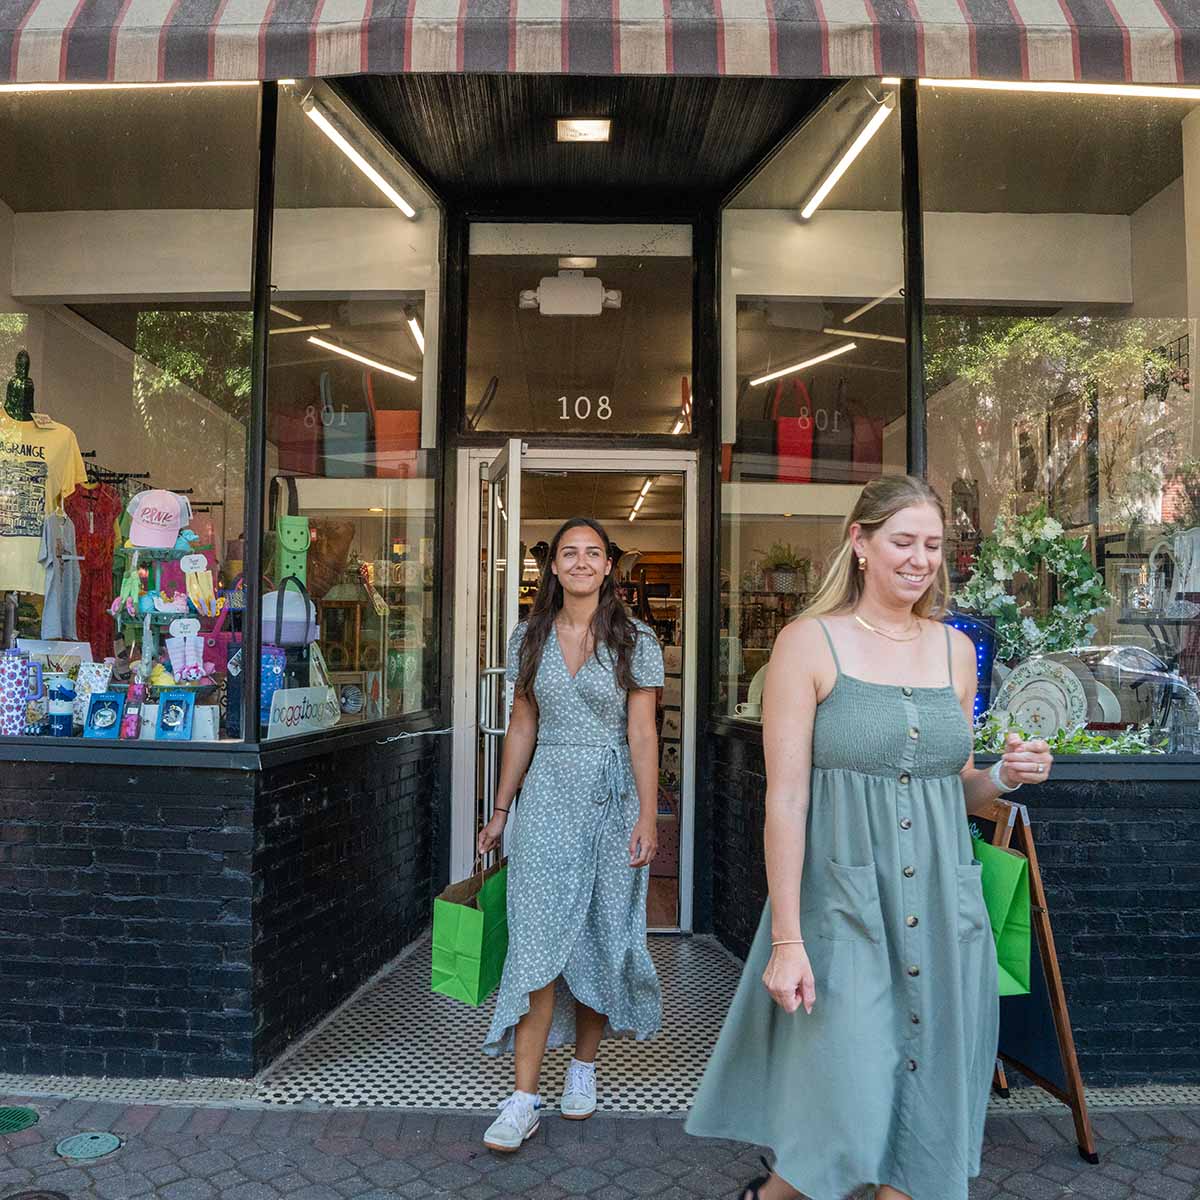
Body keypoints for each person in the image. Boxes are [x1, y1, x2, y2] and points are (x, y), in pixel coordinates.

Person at [685, 474, 1054, 1200]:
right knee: (844, 1091)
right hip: (844, 905)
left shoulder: (954, 651)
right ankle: (771, 1195)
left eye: (934, 546)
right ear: (860, 543)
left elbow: (953, 784)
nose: (920, 560)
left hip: (945, 914)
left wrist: (1006, 777)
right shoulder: (807, 643)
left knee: (927, 1112)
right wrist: (787, 939)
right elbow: (785, 800)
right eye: (903, 542)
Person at [476, 516, 664, 1153]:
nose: (581, 562)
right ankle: (523, 1097)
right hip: (548, 798)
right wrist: (502, 809)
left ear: (608, 565)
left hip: (611, 804)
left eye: (593, 553)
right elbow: (521, 726)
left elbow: (643, 733)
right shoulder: (527, 638)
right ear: (551, 567)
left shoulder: (636, 639)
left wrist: (647, 813)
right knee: (534, 942)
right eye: (568, 553)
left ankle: (583, 1067)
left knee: (603, 933)